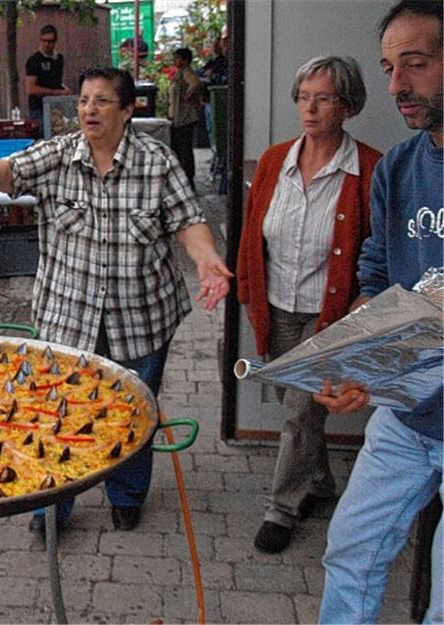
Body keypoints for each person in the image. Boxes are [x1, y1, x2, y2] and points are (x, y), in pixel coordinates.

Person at [0, 67, 232, 533]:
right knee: (55, 411)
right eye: (84, 100)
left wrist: (206, 259)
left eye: (102, 101)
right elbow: (13, 168)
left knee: (131, 412)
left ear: (128, 110)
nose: (89, 109)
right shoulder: (59, 155)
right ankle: (53, 503)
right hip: (68, 317)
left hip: (141, 316)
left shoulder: (157, 162)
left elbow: (189, 221)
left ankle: (125, 496)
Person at [314, 2, 443, 622]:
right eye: (390, 67)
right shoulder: (400, 167)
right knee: (351, 551)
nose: (396, 86)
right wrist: (352, 357)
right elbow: (378, 279)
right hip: (405, 417)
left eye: (414, 65)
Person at [237, 56, 382, 554]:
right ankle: (320, 485)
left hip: (330, 315)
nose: (310, 107)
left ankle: (281, 509)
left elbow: (375, 248)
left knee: (300, 413)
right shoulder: (276, 159)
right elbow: (253, 232)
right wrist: (245, 291)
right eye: (303, 97)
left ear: (347, 105)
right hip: (275, 307)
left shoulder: (368, 168)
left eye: (323, 98)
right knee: (296, 406)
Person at [168, 48, 204, 190]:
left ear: (184, 60)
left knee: (184, 149)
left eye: (177, 58)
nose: (175, 61)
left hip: (184, 117)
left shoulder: (187, 72)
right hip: (178, 117)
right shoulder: (180, 73)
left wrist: (189, 95)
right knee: (179, 148)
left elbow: (195, 83)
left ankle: (187, 180)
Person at [25, 24, 71, 125]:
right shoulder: (34, 60)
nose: (47, 44)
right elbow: (30, 89)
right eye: (44, 40)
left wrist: (63, 89)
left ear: (55, 41)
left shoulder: (59, 59)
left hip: (55, 108)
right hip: (38, 109)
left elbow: (55, 80)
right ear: (40, 40)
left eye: (50, 41)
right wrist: (57, 92)